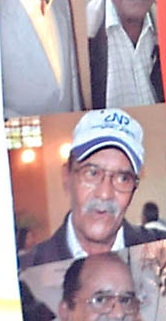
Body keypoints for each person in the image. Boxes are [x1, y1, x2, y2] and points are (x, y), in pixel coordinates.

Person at [29, 109, 154, 266]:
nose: (105, 194)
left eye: (123, 178)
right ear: (67, 177)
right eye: (92, 173)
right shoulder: (28, 266)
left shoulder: (162, 250)